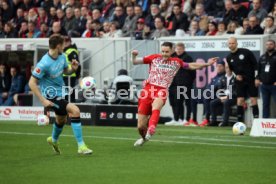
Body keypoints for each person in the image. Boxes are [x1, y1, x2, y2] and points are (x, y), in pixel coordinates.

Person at [131, 42, 219, 146]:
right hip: (148, 90)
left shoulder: (176, 62)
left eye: (167, 52)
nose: (164, 54)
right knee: (140, 126)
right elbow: (135, 62)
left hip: (162, 89)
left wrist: (207, 64)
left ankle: (152, 127)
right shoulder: (153, 58)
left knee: (156, 106)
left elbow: (191, 65)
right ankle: (144, 138)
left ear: (172, 51)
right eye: (162, 51)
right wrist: (134, 55)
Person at [29, 34, 92, 155]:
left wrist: (73, 69)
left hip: (62, 92)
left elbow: (65, 71)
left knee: (61, 119)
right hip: (50, 95)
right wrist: (43, 100)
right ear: (58, 46)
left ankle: (53, 140)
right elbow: (31, 82)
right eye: (63, 45)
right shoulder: (44, 63)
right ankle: (81, 146)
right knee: (75, 110)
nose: (64, 47)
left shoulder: (62, 56)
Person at [226, 37, 259, 123]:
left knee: (253, 100)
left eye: (233, 43)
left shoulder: (246, 52)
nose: (231, 45)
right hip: (240, 81)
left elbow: (256, 65)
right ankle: (239, 122)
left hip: (251, 79)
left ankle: (256, 122)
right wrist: (236, 76)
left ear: (237, 43)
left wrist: (257, 78)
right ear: (228, 45)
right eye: (229, 43)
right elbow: (231, 70)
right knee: (240, 100)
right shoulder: (229, 57)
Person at [165, 43, 196, 126]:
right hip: (173, 84)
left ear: (183, 49)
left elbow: (193, 72)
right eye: (177, 49)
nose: (178, 51)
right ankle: (177, 119)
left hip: (185, 84)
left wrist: (189, 82)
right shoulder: (172, 57)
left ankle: (186, 119)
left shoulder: (188, 58)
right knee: (175, 102)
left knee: (186, 102)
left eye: (180, 49)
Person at [200, 61, 226, 127]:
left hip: (220, 95)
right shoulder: (215, 77)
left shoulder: (224, 77)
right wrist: (208, 90)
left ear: (224, 67)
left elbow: (217, 87)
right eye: (217, 66)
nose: (219, 68)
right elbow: (208, 87)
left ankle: (207, 118)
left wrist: (210, 90)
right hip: (211, 94)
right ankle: (193, 119)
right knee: (194, 99)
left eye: (220, 66)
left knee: (207, 97)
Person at [255, 40, 276, 118]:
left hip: (274, 85)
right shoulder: (262, 57)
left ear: (274, 46)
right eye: (267, 44)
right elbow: (258, 70)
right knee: (265, 104)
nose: (269, 46)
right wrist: (257, 79)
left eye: (271, 44)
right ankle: (264, 122)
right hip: (264, 85)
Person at [63, 36, 80, 103]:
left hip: (70, 76)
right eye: (64, 41)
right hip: (64, 75)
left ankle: (72, 107)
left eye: (67, 41)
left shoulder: (72, 51)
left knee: (70, 94)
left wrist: (77, 75)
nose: (65, 43)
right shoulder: (64, 50)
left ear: (70, 42)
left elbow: (77, 64)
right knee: (65, 94)